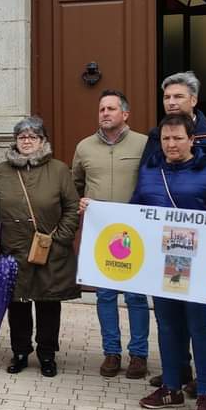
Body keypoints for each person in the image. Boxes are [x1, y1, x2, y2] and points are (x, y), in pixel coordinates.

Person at [131, 114, 206, 410]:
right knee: (167, 325)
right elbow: (134, 212)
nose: (171, 144)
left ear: (191, 139)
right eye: (166, 138)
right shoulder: (150, 170)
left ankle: (205, 392)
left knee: (201, 327)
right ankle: (171, 387)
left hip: (201, 265)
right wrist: (97, 210)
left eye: (178, 138)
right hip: (163, 263)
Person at [142, 71, 206, 393]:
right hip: (164, 255)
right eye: (167, 97)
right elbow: (142, 198)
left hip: (202, 257)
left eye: (178, 96)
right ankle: (174, 377)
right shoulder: (154, 149)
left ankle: (205, 383)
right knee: (168, 321)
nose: (172, 102)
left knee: (202, 322)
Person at [0, 116, 79, 378]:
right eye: (22, 137)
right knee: (18, 304)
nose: (26, 141)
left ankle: (47, 354)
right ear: (15, 142)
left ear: (42, 141)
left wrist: (60, 239)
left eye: (32, 136)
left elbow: (71, 208)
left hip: (51, 251)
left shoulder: (58, 169)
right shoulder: (3, 171)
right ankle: (20, 351)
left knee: (48, 304)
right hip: (13, 250)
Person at [72, 90, 149, 379]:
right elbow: (75, 184)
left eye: (111, 108)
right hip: (101, 235)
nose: (105, 113)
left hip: (136, 234)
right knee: (105, 296)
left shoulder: (144, 144)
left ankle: (139, 355)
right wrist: (80, 201)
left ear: (125, 114)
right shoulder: (84, 147)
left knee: (136, 297)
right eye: (102, 108)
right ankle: (112, 353)